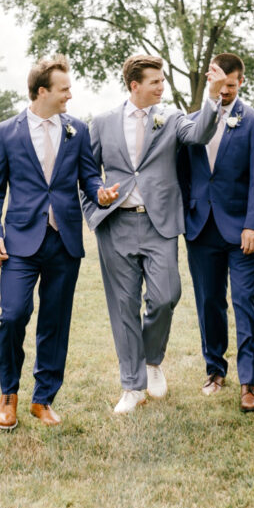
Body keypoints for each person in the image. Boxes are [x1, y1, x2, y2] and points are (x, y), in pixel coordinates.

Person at [83, 54, 226, 414]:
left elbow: (199, 134)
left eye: (162, 81)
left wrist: (212, 96)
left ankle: (152, 360)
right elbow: (87, 172)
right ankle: (132, 386)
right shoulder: (101, 122)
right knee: (124, 306)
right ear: (135, 85)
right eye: (155, 82)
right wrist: (97, 200)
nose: (162, 87)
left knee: (165, 296)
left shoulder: (172, 117)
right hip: (116, 225)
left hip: (159, 222)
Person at [0, 56, 119, 430]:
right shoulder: (6, 131)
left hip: (65, 240)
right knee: (12, 315)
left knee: (55, 322)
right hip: (20, 242)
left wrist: (100, 193)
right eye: (64, 89)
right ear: (42, 91)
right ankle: (7, 394)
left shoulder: (77, 129)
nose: (70, 95)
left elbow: (89, 178)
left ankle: (42, 399)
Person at [177, 53, 254, 411]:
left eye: (233, 86)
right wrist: (187, 214)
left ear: (241, 83)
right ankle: (215, 369)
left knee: (245, 300)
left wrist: (253, 224)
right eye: (222, 85)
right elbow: (184, 174)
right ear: (211, 80)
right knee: (209, 302)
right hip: (200, 228)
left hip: (241, 229)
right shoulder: (189, 122)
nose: (227, 92)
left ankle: (250, 382)